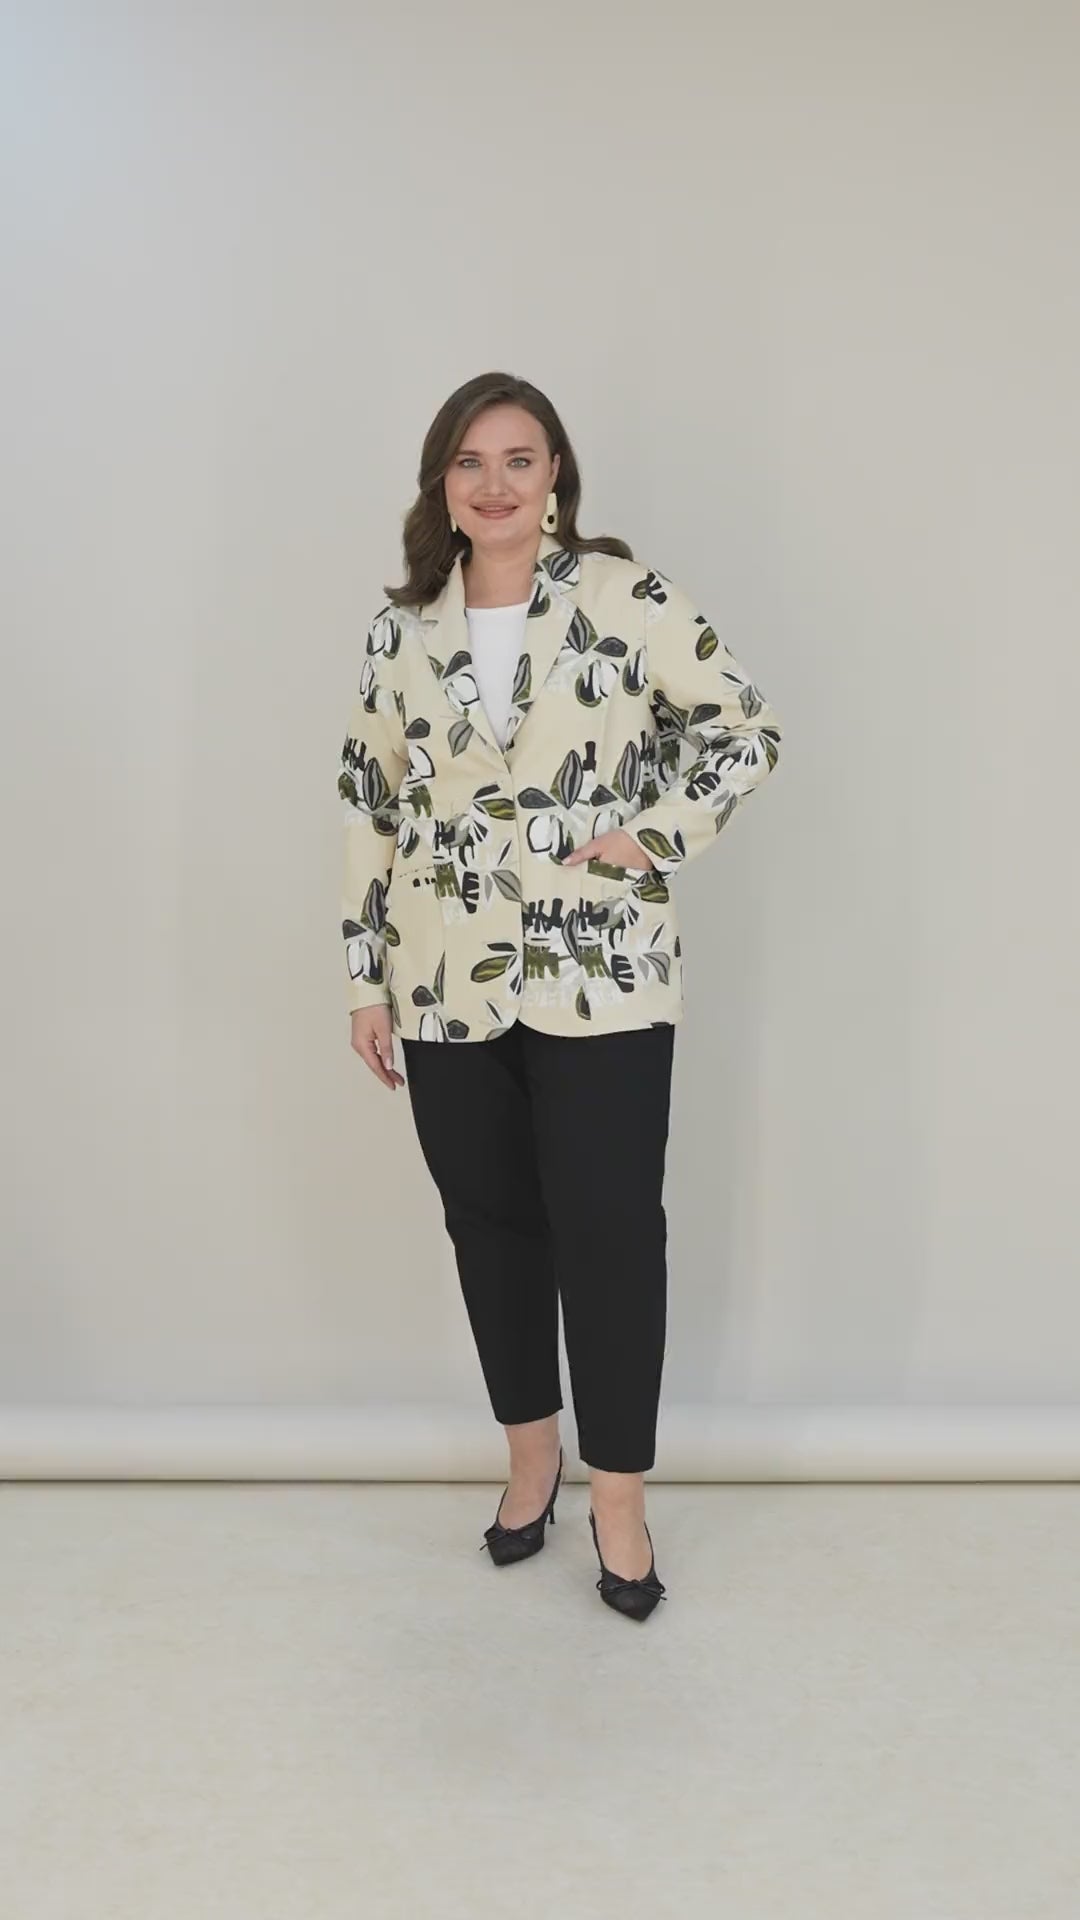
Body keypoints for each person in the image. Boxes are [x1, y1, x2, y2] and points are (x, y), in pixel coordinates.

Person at [339, 370, 783, 1621]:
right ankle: (531, 1459)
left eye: (519, 459)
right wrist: (364, 978)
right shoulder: (401, 632)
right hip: (442, 977)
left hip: (605, 972)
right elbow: (369, 803)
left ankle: (621, 1498)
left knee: (610, 1228)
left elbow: (744, 728)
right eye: (470, 461)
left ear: (555, 479)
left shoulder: (624, 598)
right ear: (442, 484)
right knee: (490, 1224)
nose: (494, 483)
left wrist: (652, 834)